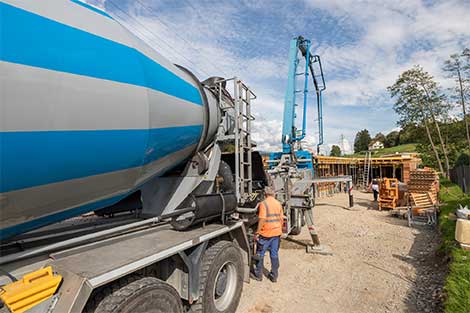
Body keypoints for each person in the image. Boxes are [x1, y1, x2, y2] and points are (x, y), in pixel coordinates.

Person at [251, 186, 284, 282]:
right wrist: (279, 229)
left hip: (265, 234)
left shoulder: (263, 204)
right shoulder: (278, 204)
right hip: (276, 233)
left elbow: (262, 219)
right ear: (273, 194)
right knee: (274, 254)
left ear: (264, 194)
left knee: (260, 254)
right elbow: (281, 219)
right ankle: (274, 276)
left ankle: (258, 275)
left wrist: (257, 232)